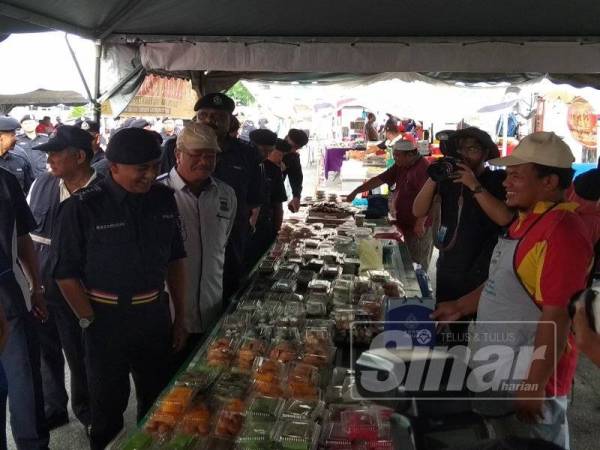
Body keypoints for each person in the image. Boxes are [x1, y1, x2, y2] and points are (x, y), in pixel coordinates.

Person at [432, 132, 594, 449]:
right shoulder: (529, 219)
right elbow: (505, 279)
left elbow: (557, 316)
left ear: (549, 182)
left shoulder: (562, 231)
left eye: (517, 176)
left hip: (530, 376)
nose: (507, 182)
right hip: (500, 364)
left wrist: (534, 385)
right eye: (508, 175)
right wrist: (462, 306)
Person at [52, 127, 188, 450]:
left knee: (158, 405)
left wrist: (179, 316)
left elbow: (175, 260)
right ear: (113, 167)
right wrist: (89, 320)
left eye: (155, 166)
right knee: (107, 411)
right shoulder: (82, 207)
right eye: (141, 169)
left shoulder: (164, 199)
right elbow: (64, 274)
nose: (150, 175)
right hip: (104, 319)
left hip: (153, 316)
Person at [412, 127, 512, 344]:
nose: (465, 154)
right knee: (449, 333)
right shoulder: (448, 180)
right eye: (461, 149)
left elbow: (505, 218)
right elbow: (418, 211)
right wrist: (434, 177)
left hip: (485, 271)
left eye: (473, 149)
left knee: (491, 336)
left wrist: (473, 184)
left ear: (486, 153)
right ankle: (449, 369)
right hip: (451, 268)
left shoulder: (497, 180)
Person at [27, 126, 96, 432]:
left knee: (81, 354)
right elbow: (28, 236)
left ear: (79, 156)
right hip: (43, 288)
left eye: (56, 153)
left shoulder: (102, 192)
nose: (49, 159)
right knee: (46, 352)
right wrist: (33, 285)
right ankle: (54, 407)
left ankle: (87, 411)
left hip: (80, 291)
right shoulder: (42, 184)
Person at [159, 122, 236, 360]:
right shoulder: (157, 193)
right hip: (168, 318)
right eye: (196, 154)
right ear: (177, 154)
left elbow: (221, 245)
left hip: (212, 312)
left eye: (210, 155)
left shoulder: (226, 194)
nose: (204, 161)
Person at [194, 93, 263, 299]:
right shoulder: (174, 148)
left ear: (230, 121)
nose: (209, 120)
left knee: (228, 290)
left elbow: (254, 197)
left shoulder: (248, 153)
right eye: (203, 115)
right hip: (188, 232)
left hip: (230, 235)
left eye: (217, 116)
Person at [0, 167, 49, 449]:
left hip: (11, 298)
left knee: (24, 384)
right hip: (9, 296)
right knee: (22, 381)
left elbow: (22, 239)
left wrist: (36, 287)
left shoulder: (5, 180)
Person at [347, 138, 433, 270]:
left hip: (419, 225)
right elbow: (379, 179)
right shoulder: (401, 165)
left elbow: (431, 197)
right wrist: (356, 191)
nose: (395, 159)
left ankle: (422, 288)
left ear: (410, 154)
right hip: (403, 222)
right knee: (405, 259)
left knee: (418, 262)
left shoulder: (424, 169)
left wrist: (420, 222)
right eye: (395, 155)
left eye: (398, 156)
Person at [246, 138, 291, 268]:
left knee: (261, 263)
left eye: (268, 151)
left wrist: (277, 230)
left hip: (264, 225)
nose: (264, 154)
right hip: (243, 225)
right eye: (262, 150)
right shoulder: (244, 166)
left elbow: (278, 204)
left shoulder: (274, 170)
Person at [0, 116, 34, 193]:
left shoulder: (20, 160)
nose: (16, 138)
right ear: (0, 138)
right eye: (12, 135)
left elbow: (30, 191)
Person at [283, 128, 308, 213]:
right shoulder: (272, 148)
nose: (293, 150)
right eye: (292, 146)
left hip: (275, 195)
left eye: (297, 148)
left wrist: (296, 196)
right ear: (287, 138)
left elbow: (297, 177)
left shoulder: (293, 156)